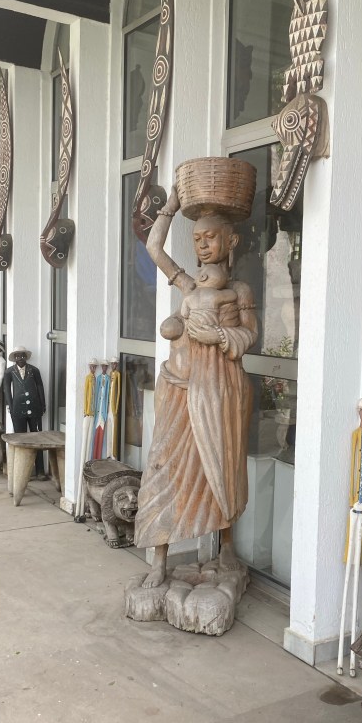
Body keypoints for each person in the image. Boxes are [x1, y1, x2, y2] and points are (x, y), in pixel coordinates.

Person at [135, 187, 258, 588]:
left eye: (211, 238)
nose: (203, 246)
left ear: (231, 241)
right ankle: (159, 558)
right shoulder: (188, 287)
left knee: (221, 465)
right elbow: (154, 247)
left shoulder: (239, 291)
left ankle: (226, 548)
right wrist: (170, 207)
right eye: (197, 239)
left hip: (219, 390)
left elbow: (251, 335)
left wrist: (220, 336)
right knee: (165, 466)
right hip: (179, 388)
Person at [2, 347, 47, 477]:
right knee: (20, 440)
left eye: (22, 356)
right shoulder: (9, 372)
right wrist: (11, 406)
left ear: (26, 357)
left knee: (37, 439)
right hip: (18, 409)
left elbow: (40, 387)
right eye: (17, 356)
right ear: (14, 358)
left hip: (34, 408)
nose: (20, 358)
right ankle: (22, 472)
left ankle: (40, 470)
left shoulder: (34, 370)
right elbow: (6, 389)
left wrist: (42, 405)